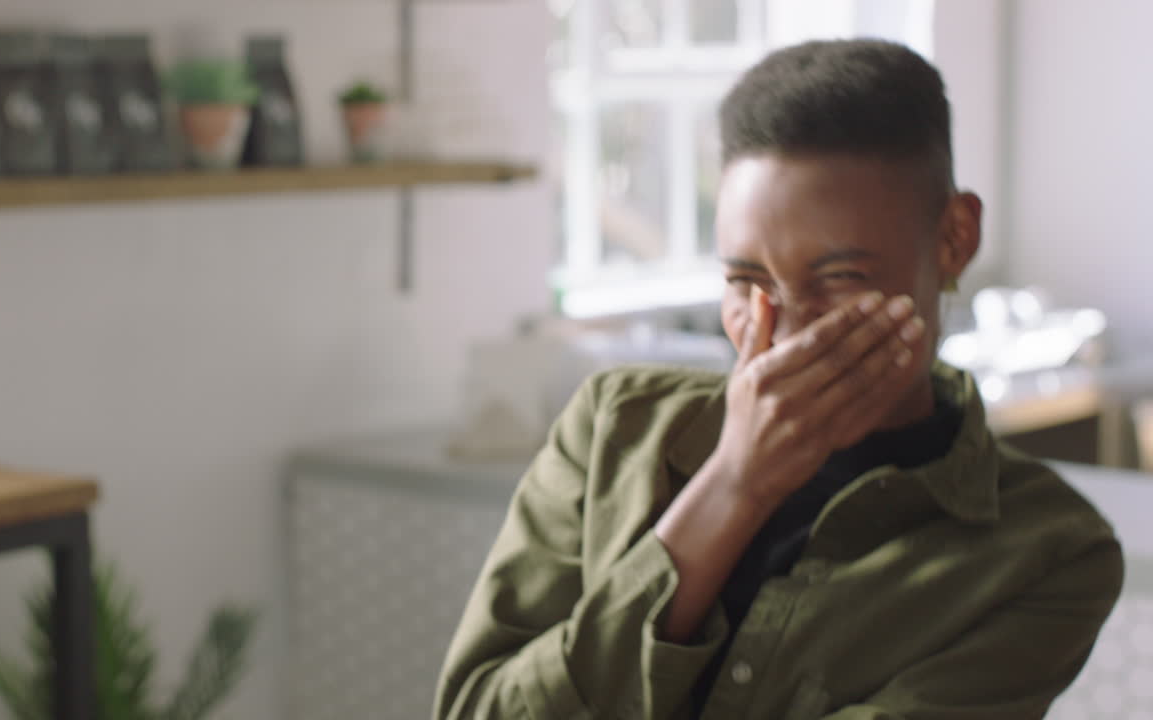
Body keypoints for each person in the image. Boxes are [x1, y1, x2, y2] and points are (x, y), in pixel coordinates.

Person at [433, 39, 1123, 720]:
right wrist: (733, 486)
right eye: (746, 281)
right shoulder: (614, 426)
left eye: (841, 278)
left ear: (953, 240)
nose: (785, 333)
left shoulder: (1047, 551)